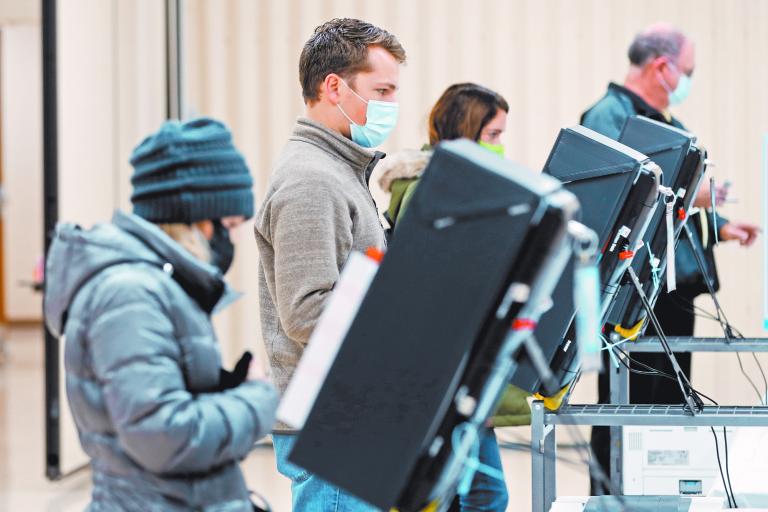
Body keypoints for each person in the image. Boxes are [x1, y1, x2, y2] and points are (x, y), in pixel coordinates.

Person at [43, 117, 278, 511]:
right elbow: (161, 436)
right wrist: (258, 400)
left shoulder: (155, 285)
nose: (233, 239)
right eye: (230, 225)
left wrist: (224, 387)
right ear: (197, 219)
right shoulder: (130, 295)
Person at [580, 23, 759, 494]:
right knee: (630, 405)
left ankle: (657, 495)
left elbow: (676, 208)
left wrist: (719, 224)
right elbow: (619, 198)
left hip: (673, 290)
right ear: (662, 67)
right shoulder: (609, 115)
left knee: (671, 405)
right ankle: (612, 497)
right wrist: (689, 193)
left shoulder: (669, 125)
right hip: (637, 295)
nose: (688, 80)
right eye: (690, 71)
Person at [254, 18, 406, 511]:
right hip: (332, 424)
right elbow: (307, 313)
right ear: (334, 86)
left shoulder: (342, 171)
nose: (390, 105)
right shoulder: (311, 181)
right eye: (381, 90)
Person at [378, 82, 522, 512]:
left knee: (480, 495)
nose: (499, 146)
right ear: (464, 131)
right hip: (440, 374)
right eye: (493, 135)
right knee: (472, 497)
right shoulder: (432, 193)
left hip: (461, 372)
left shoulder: (463, 189)